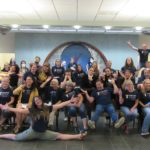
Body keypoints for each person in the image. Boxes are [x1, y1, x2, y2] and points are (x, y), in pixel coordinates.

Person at [0, 96, 86, 141]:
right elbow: (20, 110)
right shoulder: (32, 110)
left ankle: (78, 136)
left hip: (44, 133)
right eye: (35, 100)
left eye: (38, 99)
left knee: (59, 136)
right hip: (32, 132)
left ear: (41, 100)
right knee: (16, 138)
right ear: (35, 103)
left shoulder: (47, 108)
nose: (37, 101)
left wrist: (69, 101)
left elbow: (60, 105)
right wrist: (8, 108)